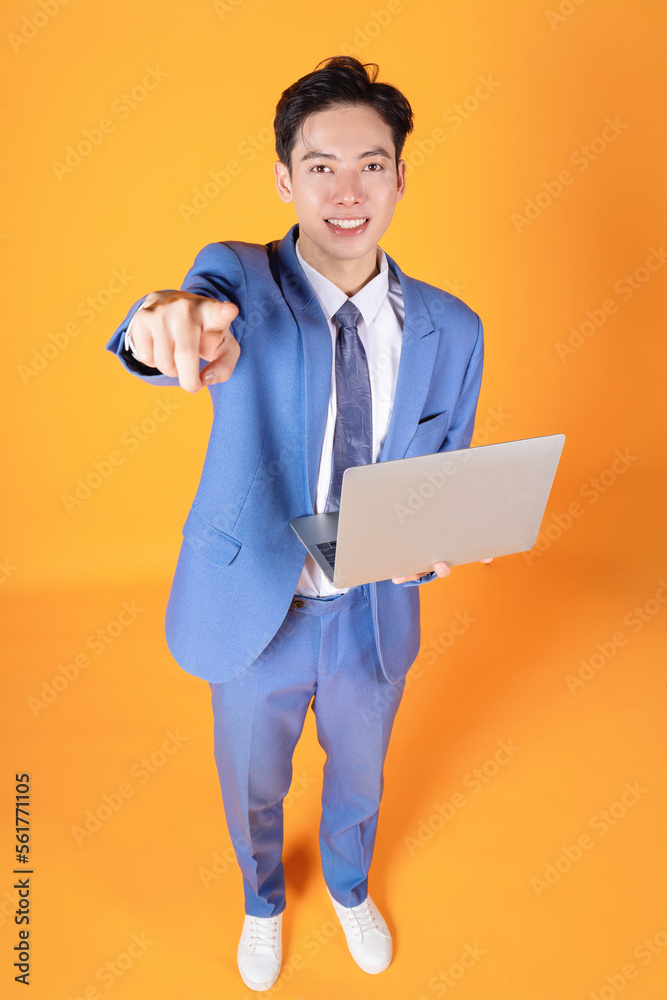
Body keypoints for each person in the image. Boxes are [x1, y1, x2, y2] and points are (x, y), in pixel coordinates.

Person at [104, 55, 485, 992]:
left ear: (400, 175)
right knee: (253, 783)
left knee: (359, 778)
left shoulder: (455, 329)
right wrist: (165, 325)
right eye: (320, 167)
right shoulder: (241, 280)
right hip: (257, 610)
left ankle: (349, 885)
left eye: (369, 164)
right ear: (285, 179)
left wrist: (441, 541)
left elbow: (445, 472)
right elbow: (182, 314)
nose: (346, 191)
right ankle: (263, 901)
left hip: (372, 612)